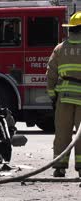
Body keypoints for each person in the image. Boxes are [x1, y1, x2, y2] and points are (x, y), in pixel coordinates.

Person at [46, 11, 81, 177]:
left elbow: (51, 74)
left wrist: (52, 95)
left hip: (64, 97)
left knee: (62, 132)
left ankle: (59, 166)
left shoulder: (60, 49)